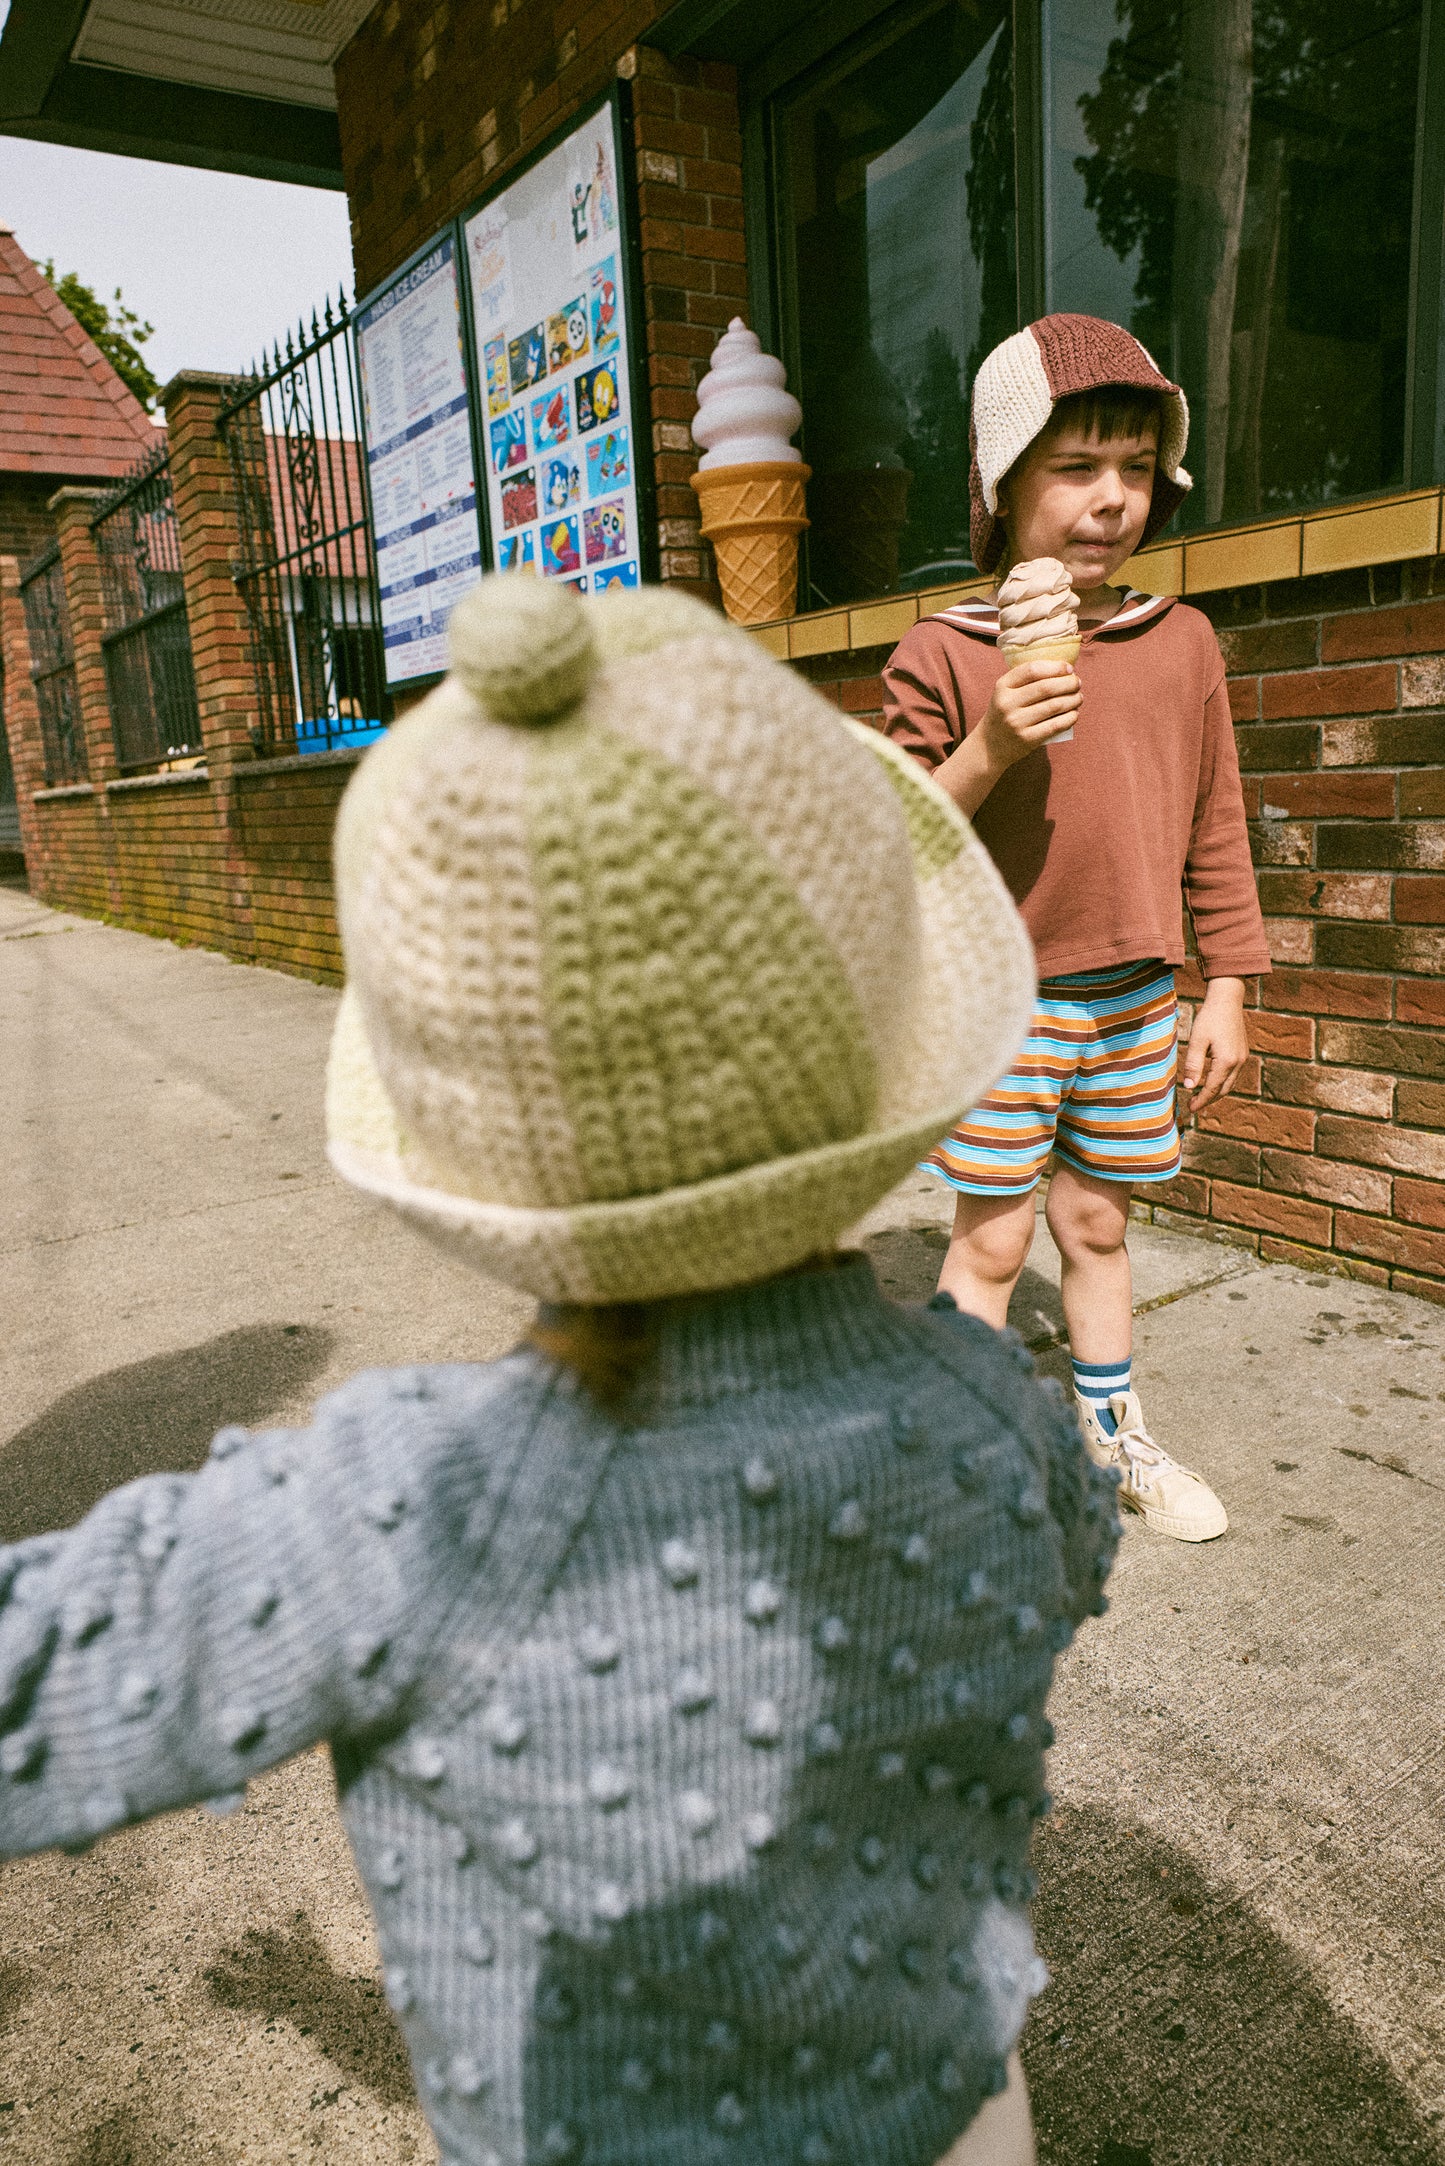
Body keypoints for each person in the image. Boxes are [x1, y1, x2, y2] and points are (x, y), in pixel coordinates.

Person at [0, 575, 1121, 2166]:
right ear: (884, 1047)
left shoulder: (399, 1503)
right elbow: (1079, 1556)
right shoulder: (994, 1402)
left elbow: (39, 1683)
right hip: (954, 2113)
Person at [883, 314, 1271, 1543]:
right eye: (1074, 467)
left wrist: (1226, 987)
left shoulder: (1180, 644)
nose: (1112, 499)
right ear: (1003, 488)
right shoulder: (942, 648)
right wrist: (992, 741)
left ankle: (1111, 1438)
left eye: (1136, 469)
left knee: (1096, 1225)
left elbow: (1214, 826)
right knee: (992, 1244)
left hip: (1131, 1000)